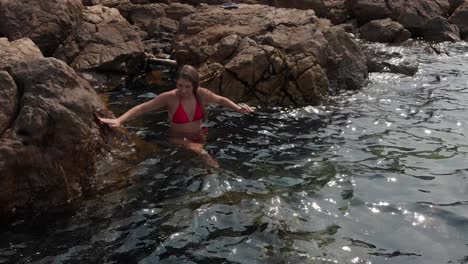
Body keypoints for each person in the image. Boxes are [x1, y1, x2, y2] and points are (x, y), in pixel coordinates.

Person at [98, 65, 254, 166]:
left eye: (188, 86)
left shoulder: (202, 94)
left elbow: (220, 100)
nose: (184, 90)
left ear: (195, 85)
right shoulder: (169, 97)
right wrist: (119, 120)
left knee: (192, 164)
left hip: (200, 136)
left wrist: (238, 108)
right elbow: (142, 108)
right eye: (180, 85)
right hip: (178, 139)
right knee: (206, 158)